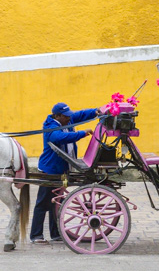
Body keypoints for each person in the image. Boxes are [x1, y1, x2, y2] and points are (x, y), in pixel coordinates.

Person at [29, 102, 98, 244]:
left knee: (57, 203)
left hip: (62, 169)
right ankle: (36, 235)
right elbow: (59, 138)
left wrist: (96, 111)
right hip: (50, 170)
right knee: (43, 203)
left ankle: (55, 234)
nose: (69, 119)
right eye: (66, 117)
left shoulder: (67, 119)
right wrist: (82, 133)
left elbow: (81, 114)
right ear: (58, 116)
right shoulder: (50, 127)